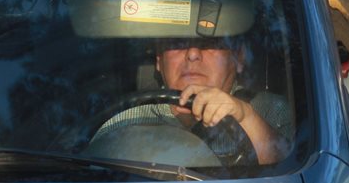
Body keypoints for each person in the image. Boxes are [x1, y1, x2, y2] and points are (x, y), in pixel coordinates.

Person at [96, 36, 292, 165]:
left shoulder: (270, 111)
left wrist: (246, 117)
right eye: (177, 42)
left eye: (210, 42)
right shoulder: (123, 122)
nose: (192, 54)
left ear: (238, 58)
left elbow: (294, 182)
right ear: (158, 60)